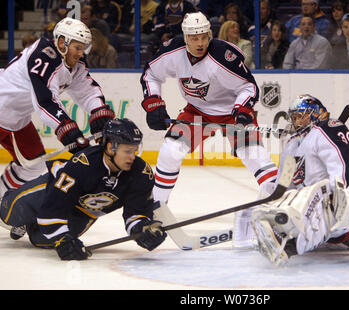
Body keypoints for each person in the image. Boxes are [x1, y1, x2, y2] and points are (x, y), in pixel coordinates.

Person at [139, 12, 278, 248]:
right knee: (171, 151)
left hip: (231, 112)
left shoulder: (224, 56)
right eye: (194, 38)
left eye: (203, 37)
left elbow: (248, 86)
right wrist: (154, 103)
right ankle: (156, 212)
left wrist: (242, 111)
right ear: (185, 37)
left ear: (209, 35)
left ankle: (275, 209)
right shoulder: (172, 52)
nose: (200, 43)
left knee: (254, 156)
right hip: (197, 111)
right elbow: (151, 74)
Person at [0, 118, 167, 260]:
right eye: (128, 151)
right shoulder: (83, 164)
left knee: (40, 240)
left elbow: (136, 213)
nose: (133, 157)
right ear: (110, 148)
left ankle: (30, 225)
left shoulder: (141, 174)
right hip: (52, 190)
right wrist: (61, 238)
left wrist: (143, 230)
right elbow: (54, 206)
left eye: (135, 150)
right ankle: (22, 218)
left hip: (84, 212)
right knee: (9, 212)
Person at [250, 95, 349, 266]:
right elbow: (282, 188)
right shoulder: (292, 145)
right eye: (294, 117)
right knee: (271, 191)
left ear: (316, 114)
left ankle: (289, 247)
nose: (296, 121)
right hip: (333, 228)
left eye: (301, 116)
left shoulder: (328, 128)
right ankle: (345, 236)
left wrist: (347, 200)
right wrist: (275, 207)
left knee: (320, 191)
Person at [0, 17, 115, 213]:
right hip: (5, 113)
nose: (81, 53)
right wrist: (68, 131)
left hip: (15, 121)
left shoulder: (73, 63)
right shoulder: (43, 56)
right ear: (62, 42)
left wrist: (99, 113)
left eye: (84, 48)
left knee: (33, 165)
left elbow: (87, 90)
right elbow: (45, 101)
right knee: (33, 164)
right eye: (77, 48)